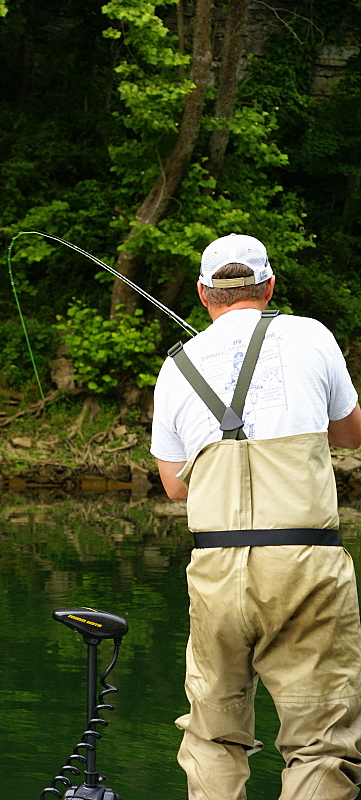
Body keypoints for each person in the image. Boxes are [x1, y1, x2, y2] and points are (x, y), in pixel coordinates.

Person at [150, 232, 361, 800]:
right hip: (306, 564)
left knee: (213, 736)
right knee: (320, 743)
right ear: (269, 286)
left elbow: (173, 486)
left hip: (216, 570)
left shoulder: (176, 366)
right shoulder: (311, 335)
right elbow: (351, 434)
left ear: (203, 294)